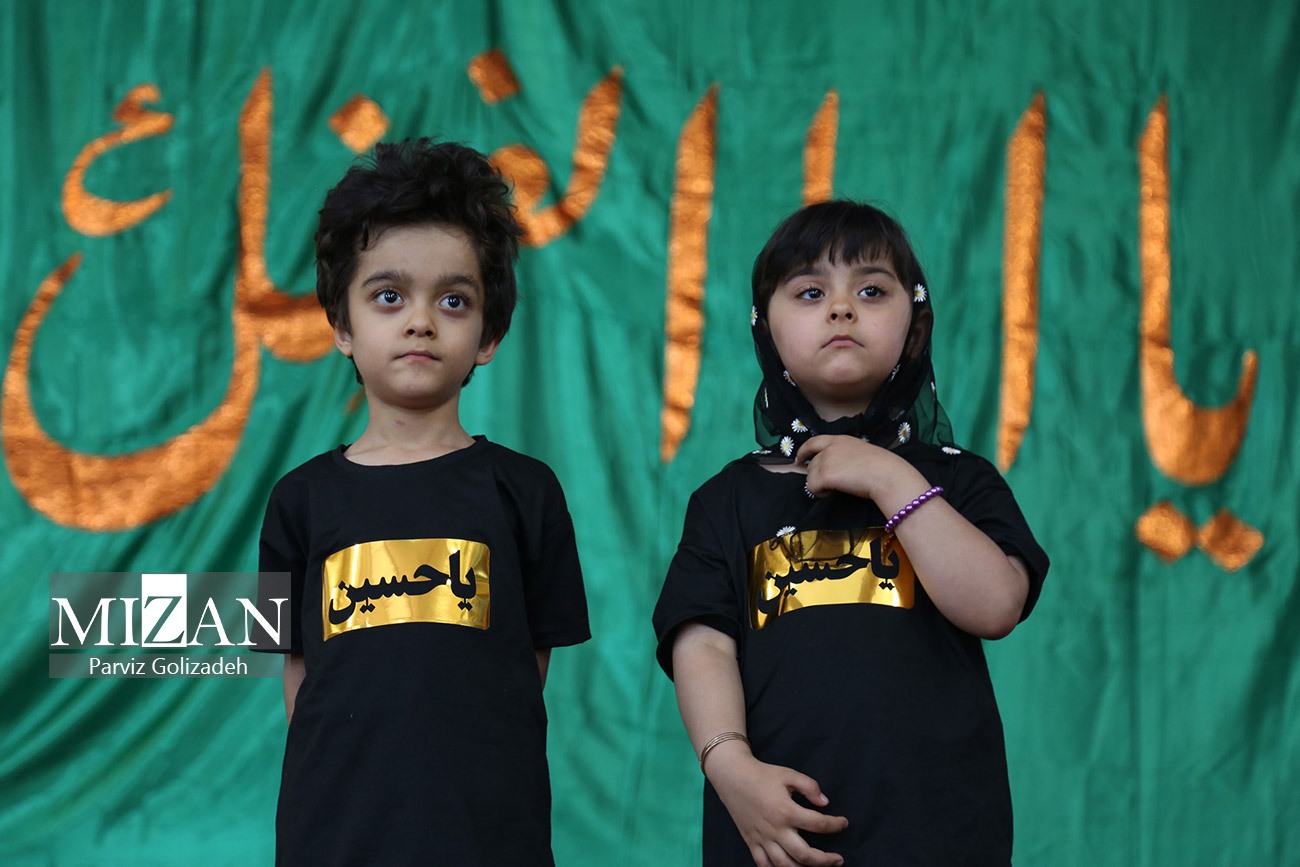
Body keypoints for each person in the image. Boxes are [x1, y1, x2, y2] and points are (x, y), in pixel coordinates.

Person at [653, 200, 1049, 866]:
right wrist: (730, 766)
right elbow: (704, 641)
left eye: (871, 290)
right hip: (776, 835)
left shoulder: (959, 480)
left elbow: (996, 605)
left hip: (937, 836)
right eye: (810, 292)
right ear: (765, 328)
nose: (841, 308)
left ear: (915, 325)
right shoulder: (727, 500)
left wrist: (891, 479)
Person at [258, 138, 590, 866]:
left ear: (488, 336)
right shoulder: (297, 501)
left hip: (485, 832)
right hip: (335, 834)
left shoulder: (526, 491)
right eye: (388, 296)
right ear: (342, 327)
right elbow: (298, 669)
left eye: (453, 300)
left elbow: (526, 663)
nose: (420, 321)